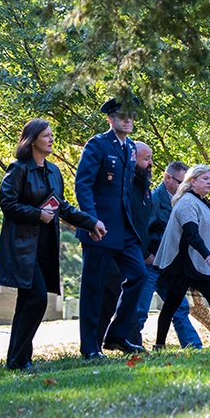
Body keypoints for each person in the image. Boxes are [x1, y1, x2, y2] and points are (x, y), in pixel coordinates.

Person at [0, 119, 104, 370]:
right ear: (32, 139)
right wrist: (37, 214)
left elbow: (62, 206)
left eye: (52, 135)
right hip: (22, 246)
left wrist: (90, 223)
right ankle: (18, 359)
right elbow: (7, 203)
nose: (51, 139)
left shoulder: (54, 171)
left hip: (45, 246)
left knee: (27, 301)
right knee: (36, 298)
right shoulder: (18, 168)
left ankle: (18, 359)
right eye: (46, 135)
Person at [74, 97, 148, 358]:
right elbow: (82, 185)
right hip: (99, 227)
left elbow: (126, 191)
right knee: (93, 289)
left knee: (138, 274)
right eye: (122, 116)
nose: (128, 120)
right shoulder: (97, 145)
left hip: (124, 229)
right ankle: (89, 348)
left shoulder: (129, 148)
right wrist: (91, 220)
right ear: (110, 119)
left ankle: (116, 336)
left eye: (131, 116)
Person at [153, 165, 210, 347]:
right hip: (184, 263)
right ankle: (160, 345)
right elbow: (191, 233)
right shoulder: (187, 202)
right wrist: (209, 257)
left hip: (198, 263)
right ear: (192, 182)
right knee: (171, 304)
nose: (209, 181)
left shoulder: (203, 202)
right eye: (204, 178)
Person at [135, 160, 202, 348]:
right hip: (150, 264)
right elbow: (140, 230)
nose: (186, 187)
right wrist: (146, 255)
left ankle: (193, 347)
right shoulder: (153, 200)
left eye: (188, 182)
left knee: (179, 308)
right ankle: (131, 347)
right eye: (182, 182)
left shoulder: (184, 201)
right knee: (139, 310)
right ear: (167, 178)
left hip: (168, 265)